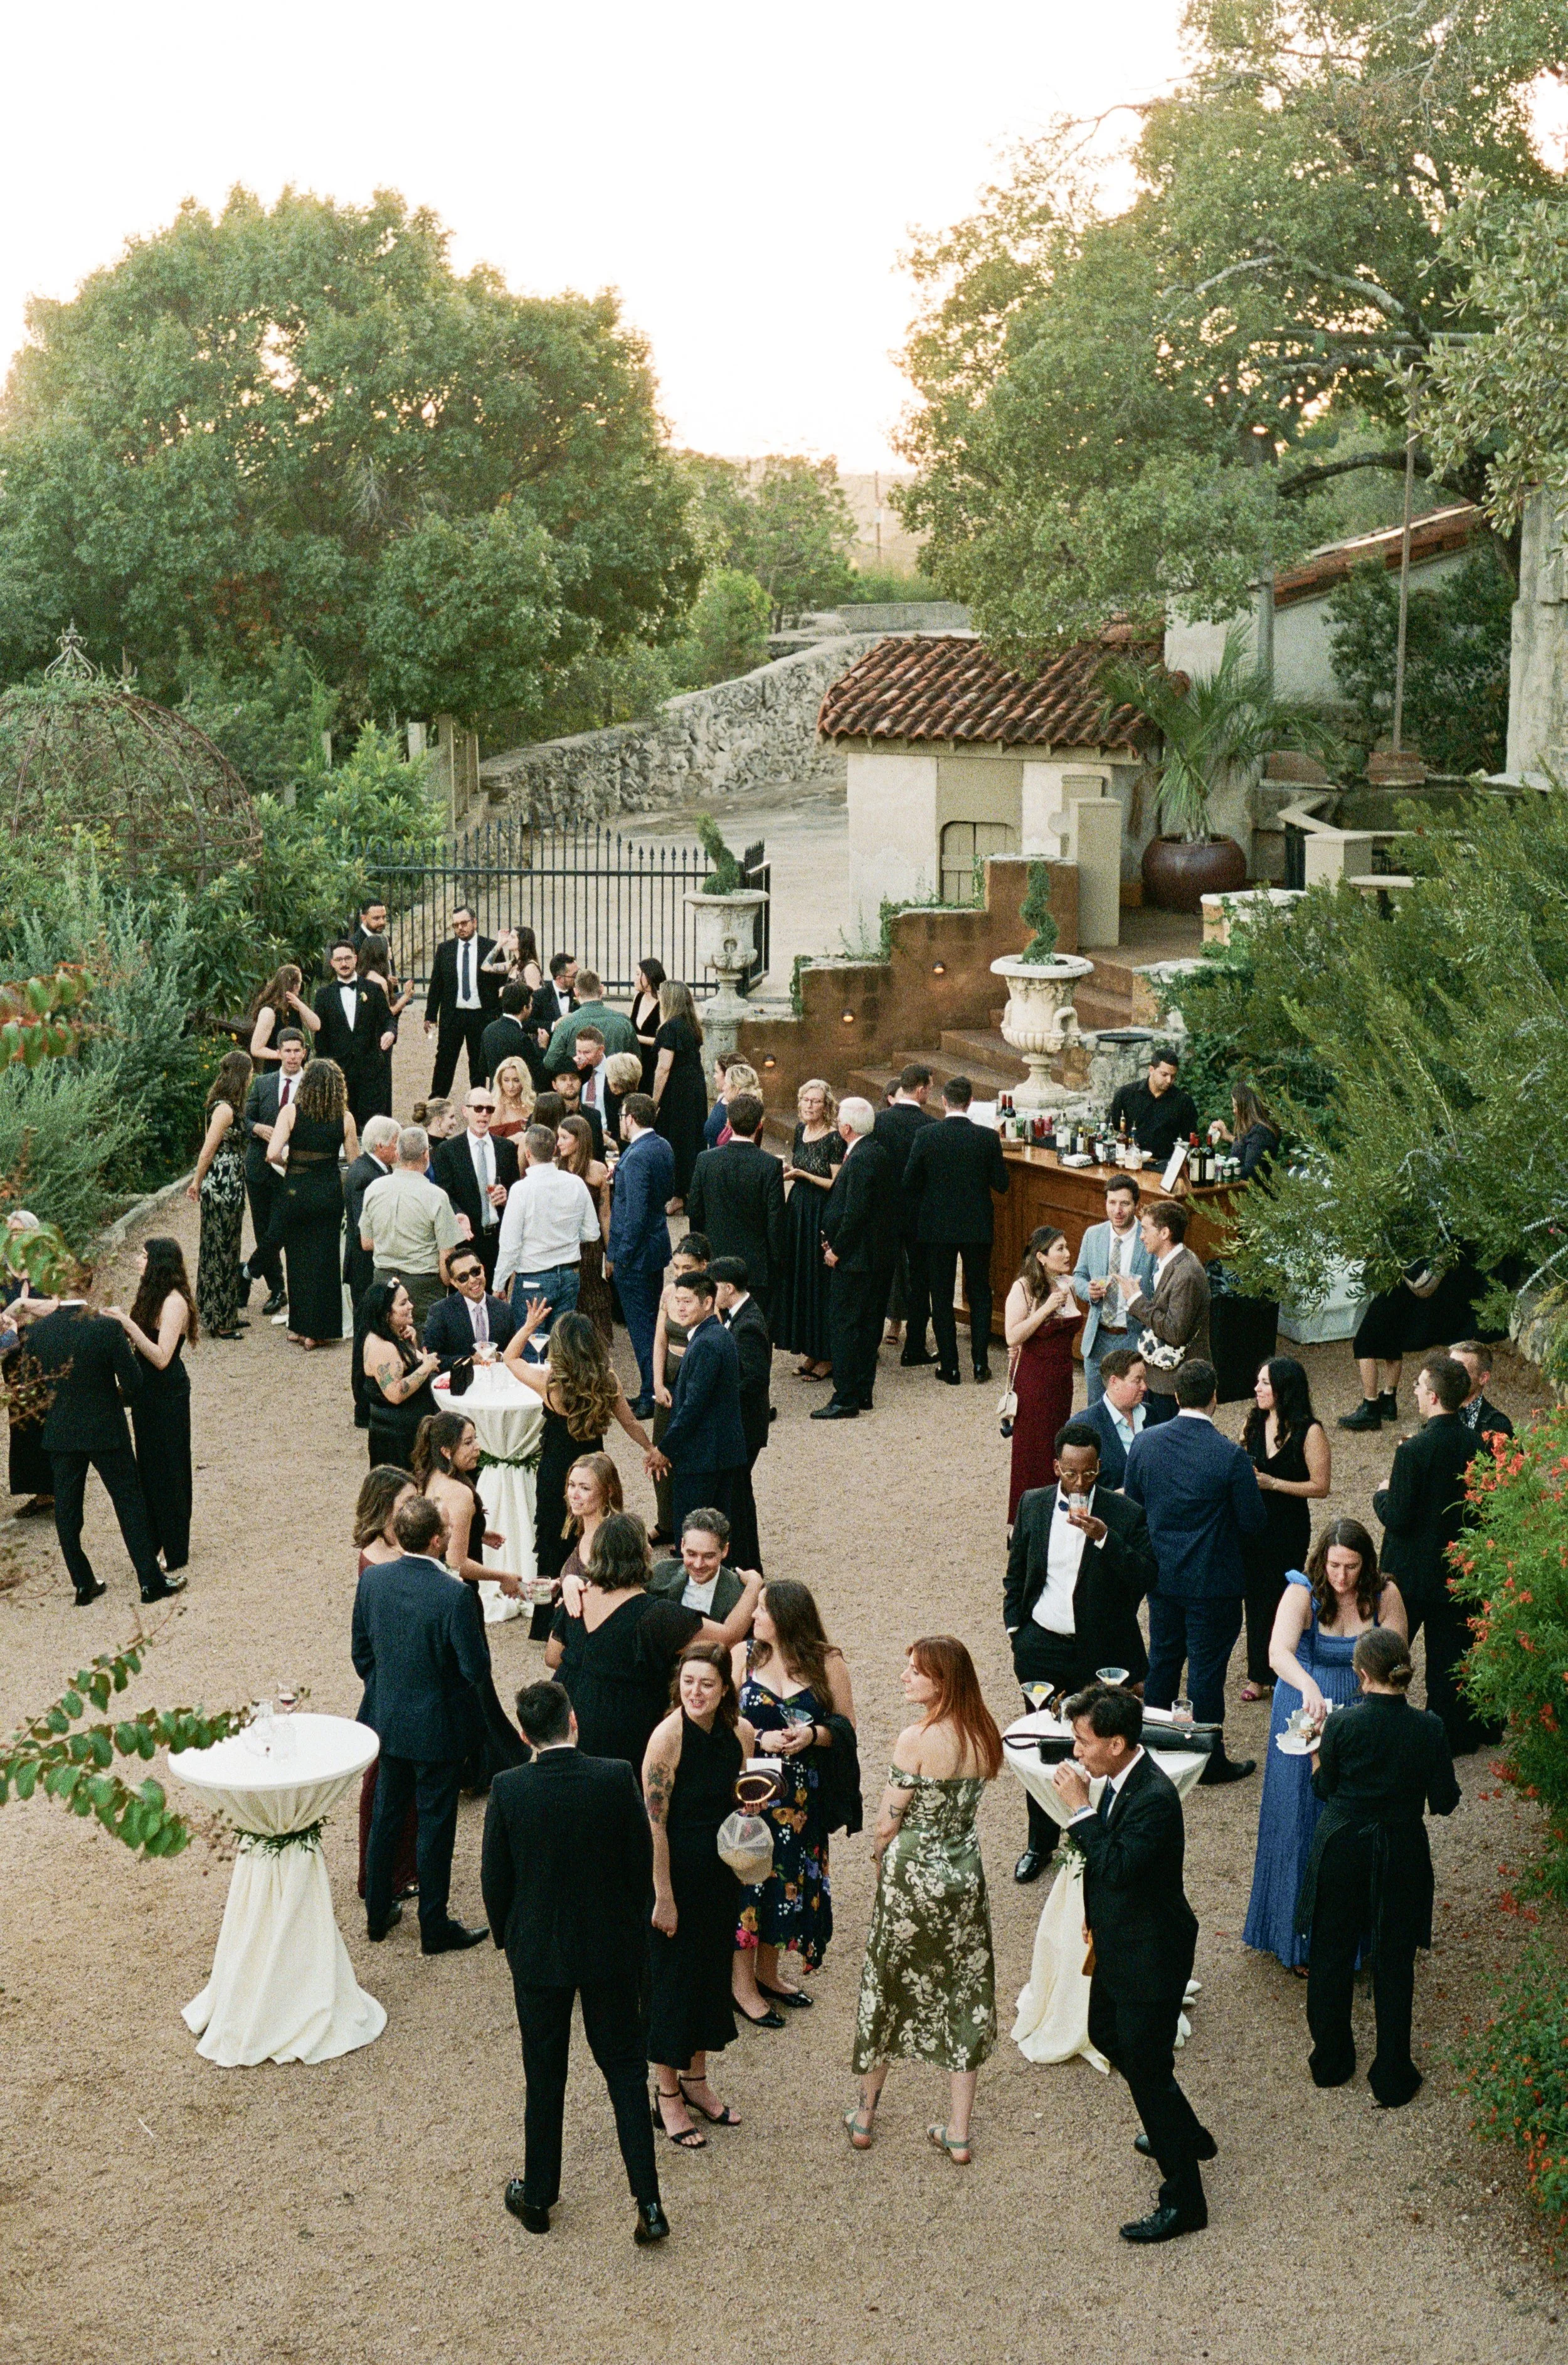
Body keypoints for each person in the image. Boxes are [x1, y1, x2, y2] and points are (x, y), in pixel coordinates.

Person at [481, 1679, 669, 2246]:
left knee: (545, 2076)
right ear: (574, 1722)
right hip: (609, 1948)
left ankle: (538, 2195)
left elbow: (496, 1879)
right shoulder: (614, 1776)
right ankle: (650, 2203)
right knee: (625, 2074)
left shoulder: (509, 1789)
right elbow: (641, 1862)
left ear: (523, 1735)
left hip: (540, 1952)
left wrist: (508, 1939)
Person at [1052, 1682, 1211, 2243]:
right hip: (1123, 1944)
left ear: (1117, 1743)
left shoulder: (1154, 1799)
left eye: (1084, 1741)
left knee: (1146, 2071)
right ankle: (1186, 2132)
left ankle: (1184, 2199)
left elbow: (1118, 1867)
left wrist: (1076, 1811)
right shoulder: (1119, 1779)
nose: (1076, 1752)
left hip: (1151, 1953)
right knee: (1108, 2036)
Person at [847, 1636, 1001, 2162]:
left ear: (944, 1681)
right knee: (966, 1992)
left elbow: (889, 1824)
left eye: (916, 1671)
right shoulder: (984, 1734)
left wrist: (877, 1862)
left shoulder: (916, 1738)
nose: (904, 1677)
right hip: (962, 1875)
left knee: (886, 1986)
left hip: (912, 1876)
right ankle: (958, 2131)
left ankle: (864, 2117)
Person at [1298, 1627, 1461, 2105]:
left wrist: (1315, 1758)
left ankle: (1331, 2061)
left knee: (1331, 1954)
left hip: (1344, 1846)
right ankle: (1392, 2073)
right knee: (1394, 1962)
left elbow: (1325, 1790)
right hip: (1403, 1851)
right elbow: (1446, 1802)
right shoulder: (1430, 1727)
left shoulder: (1344, 1725)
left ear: (1361, 1674)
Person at [1242, 1521, 1407, 1971]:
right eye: (1334, 1565)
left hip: (1362, 1709)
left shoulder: (1385, 1594)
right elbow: (1279, 1653)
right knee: (1301, 1820)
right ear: (1323, 1561)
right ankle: (1299, 1942)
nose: (1341, 1577)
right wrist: (1309, 1686)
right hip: (1306, 1708)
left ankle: (1361, 1940)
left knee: (1358, 1824)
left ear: (1365, 1564)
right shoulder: (1302, 1592)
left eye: (1351, 1567)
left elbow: (1396, 1657)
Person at [1005, 1420, 1158, 1881]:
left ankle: (1101, 1838)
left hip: (1102, 1654)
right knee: (1044, 1743)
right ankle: (1040, 1843)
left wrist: (1104, 1538)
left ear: (1099, 1469)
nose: (1078, 1483)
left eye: (1087, 1474)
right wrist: (1018, 1631)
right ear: (1057, 1467)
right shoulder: (1033, 1504)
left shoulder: (1124, 1513)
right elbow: (1017, 1574)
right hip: (1043, 1648)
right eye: (1070, 1474)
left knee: (1105, 1748)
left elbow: (1146, 1576)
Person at [351, 1492, 492, 1953]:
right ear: (436, 1540)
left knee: (387, 1817)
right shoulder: (453, 1595)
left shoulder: (374, 1581)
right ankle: (434, 1926)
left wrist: (389, 1689)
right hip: (438, 1730)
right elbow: (475, 1669)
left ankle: (377, 1913)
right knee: (435, 1825)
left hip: (387, 1722)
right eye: (448, 1530)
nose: (452, 1533)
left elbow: (362, 1653)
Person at [1124, 1358, 1267, 1785]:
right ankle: (1208, 1758)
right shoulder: (1229, 1456)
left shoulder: (1146, 1444)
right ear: (1214, 1396)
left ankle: (1151, 1744)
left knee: (1164, 1660)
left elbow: (1134, 1507)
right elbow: (1253, 1523)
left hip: (1164, 1577)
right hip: (1213, 1581)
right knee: (1207, 1671)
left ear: (1178, 1396)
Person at [544, 1509, 761, 1770]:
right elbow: (726, 1637)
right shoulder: (656, 1614)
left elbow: (552, 1656)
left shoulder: (578, 1598)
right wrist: (754, 1584)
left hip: (565, 1720)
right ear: (641, 1554)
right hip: (624, 1731)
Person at [644, 1644, 756, 2145]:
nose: (696, 1692)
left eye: (707, 1683)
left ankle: (697, 2080)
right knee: (673, 1983)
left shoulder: (741, 1733)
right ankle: (666, 2093)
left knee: (710, 1975)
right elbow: (654, 1824)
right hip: (678, 1873)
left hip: (721, 1873)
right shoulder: (667, 1738)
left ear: (725, 1688)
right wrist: (663, 1894)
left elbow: (741, 1798)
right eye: (688, 1682)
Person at [732, 1578, 857, 2022]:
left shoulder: (827, 1662)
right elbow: (723, 1723)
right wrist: (757, 1735)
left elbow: (845, 1727)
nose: (753, 1616)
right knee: (750, 1880)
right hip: (751, 1790)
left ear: (785, 1617)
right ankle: (741, 1985)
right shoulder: (742, 1656)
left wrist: (811, 1734)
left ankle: (768, 1972)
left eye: (762, 1610)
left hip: (804, 1797)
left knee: (786, 1884)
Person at [1372, 1351, 1492, 1753]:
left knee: (1390, 1656)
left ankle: (1384, 1730)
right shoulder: (1478, 1444)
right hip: (1457, 1572)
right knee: (1449, 1663)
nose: (1415, 1390)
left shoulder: (1413, 1452)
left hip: (1409, 1574)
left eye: (1420, 1386)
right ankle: (1452, 1737)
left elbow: (1399, 1518)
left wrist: (1382, 1493)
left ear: (1435, 1397)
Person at [26, 1292, 178, 1604]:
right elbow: (134, 1383)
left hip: (62, 1433)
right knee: (129, 1503)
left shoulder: (39, 1332)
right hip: (106, 1430)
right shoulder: (105, 1327)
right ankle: (150, 1581)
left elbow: (31, 1387)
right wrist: (112, 1399)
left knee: (67, 1510)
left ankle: (82, 1584)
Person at [502, 1310, 661, 1580]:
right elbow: (631, 1424)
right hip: (593, 1469)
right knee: (594, 1530)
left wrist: (529, 1325)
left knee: (554, 1538)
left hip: (557, 1472)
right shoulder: (607, 1380)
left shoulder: (549, 1385)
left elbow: (510, 1358)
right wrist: (651, 1449)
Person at [901, 1075, 1010, 1386]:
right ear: (971, 1102)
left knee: (942, 1294)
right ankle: (980, 1363)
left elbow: (910, 1182)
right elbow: (1002, 1185)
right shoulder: (987, 1138)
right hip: (976, 1225)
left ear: (945, 1102)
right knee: (979, 1292)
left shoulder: (926, 1135)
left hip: (937, 1228)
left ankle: (950, 1366)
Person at [1238, 1358, 1331, 1703]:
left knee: (1281, 1594)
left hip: (1288, 1525)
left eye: (1265, 1383)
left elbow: (1321, 1486)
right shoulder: (1253, 1420)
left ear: (1283, 1389)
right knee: (1255, 1596)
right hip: (1254, 1522)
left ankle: (1282, 1668)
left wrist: (1273, 1483)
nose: (1257, 1389)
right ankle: (1257, 1673)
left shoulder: (1310, 1431)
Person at [105, 1238, 195, 1578]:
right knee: (149, 1468)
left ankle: (175, 1547)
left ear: (157, 1262)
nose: (137, 1260)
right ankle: (155, 1539)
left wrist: (126, 1324)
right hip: (146, 1394)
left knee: (170, 1468)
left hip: (168, 1395)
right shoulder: (150, 1296)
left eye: (143, 1256)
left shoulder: (174, 1303)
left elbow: (161, 1357)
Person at [352, 1467, 420, 1905]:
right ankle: (376, 1875)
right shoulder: (375, 1560)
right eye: (405, 1504)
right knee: (381, 1782)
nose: (414, 1510)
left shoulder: (405, 1546)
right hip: (393, 1684)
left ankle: (405, 1867)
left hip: (409, 1679)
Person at [812, 1096, 898, 1420]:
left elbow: (855, 1213)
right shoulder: (875, 1152)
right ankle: (862, 1391)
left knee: (846, 1326)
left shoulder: (861, 1158)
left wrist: (837, 1249)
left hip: (858, 1260)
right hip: (875, 1257)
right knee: (867, 1324)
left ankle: (846, 1396)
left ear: (846, 1128)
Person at [268, 1056, 359, 1347]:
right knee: (326, 1260)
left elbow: (272, 1153)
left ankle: (298, 1325)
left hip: (297, 1190)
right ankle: (318, 1331)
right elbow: (355, 1162)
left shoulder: (290, 1112)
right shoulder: (345, 1118)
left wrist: (291, 1163)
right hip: (329, 1191)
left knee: (297, 1257)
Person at [492, 1121, 600, 1341]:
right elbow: (592, 1233)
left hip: (534, 1278)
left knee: (531, 1349)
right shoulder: (576, 1183)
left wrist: (498, 1284)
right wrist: (566, 1238)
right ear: (553, 1150)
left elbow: (510, 1246)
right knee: (560, 1348)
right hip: (570, 1276)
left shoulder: (521, 1190)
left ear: (528, 1153)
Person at [685, 1092, 787, 1322]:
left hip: (716, 1263)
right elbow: (775, 1221)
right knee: (755, 1332)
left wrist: (703, 1256)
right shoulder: (770, 1166)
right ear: (760, 1125)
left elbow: (695, 1211)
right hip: (756, 1268)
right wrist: (776, 1263)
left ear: (728, 1123)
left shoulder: (706, 1160)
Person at [659, 1267, 746, 1531]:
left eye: (687, 1302)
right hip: (717, 1454)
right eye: (677, 1301)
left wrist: (664, 1449)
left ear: (707, 1303)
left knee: (694, 1530)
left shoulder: (707, 1342)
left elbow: (693, 1406)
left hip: (704, 1458)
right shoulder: (716, 1334)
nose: (680, 1308)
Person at [1004, 1226, 1082, 1517]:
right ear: (1041, 1257)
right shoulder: (1023, 1288)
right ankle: (1024, 1521)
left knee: (1057, 1447)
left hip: (1062, 1380)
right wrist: (1047, 1308)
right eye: (1060, 1249)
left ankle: (1054, 1516)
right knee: (1032, 1452)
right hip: (1034, 1382)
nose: (1067, 1253)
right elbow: (1012, 1336)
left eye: (1067, 1247)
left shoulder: (1066, 1284)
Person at [606, 1093, 675, 1416]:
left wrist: (619, 1256)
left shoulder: (634, 1157)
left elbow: (632, 1216)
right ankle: (653, 1387)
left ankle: (651, 1392)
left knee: (643, 1327)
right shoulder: (662, 1145)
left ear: (630, 1117)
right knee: (651, 1322)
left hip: (636, 1255)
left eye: (622, 1116)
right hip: (655, 1246)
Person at [775, 1078, 844, 1381]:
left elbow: (837, 1183)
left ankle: (828, 1353)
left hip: (821, 1211)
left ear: (826, 1105)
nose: (810, 1106)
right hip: (799, 1209)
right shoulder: (800, 1131)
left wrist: (805, 1175)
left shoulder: (834, 1138)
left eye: (816, 1101)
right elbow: (798, 1166)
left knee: (821, 1281)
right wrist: (789, 1173)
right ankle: (811, 1349)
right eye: (806, 1100)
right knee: (803, 1278)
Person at [359, 1124, 460, 1331]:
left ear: (397, 1153)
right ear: (426, 1154)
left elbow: (367, 1242)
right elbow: (447, 1258)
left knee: (386, 1339)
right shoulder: (436, 1196)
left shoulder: (374, 1189)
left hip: (383, 1279)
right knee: (423, 1346)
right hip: (423, 1286)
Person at [1117, 1198, 1209, 1420]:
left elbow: (1175, 1332)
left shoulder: (1186, 1273)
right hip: (1161, 1379)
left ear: (1165, 1233)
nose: (1141, 1236)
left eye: (1146, 1230)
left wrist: (1136, 1300)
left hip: (1174, 1385)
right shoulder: (1170, 1264)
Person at [238, 1026, 307, 1315]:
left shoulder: (311, 1086)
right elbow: (243, 1118)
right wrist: (257, 1128)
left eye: (297, 1051)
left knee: (283, 1227)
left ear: (304, 1053)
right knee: (263, 1228)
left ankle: (247, 1271)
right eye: (287, 1051)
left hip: (294, 1168)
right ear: (278, 1053)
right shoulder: (263, 1083)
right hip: (259, 1167)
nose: (292, 1057)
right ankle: (277, 1289)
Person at [1071, 1176, 1155, 1405]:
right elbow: (1078, 1276)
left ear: (1136, 1205)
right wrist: (1088, 1291)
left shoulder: (1148, 1239)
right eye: (1112, 1203)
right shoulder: (1093, 1235)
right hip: (1098, 1339)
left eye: (1124, 1204)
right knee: (1097, 1410)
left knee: (1134, 1411)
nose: (1117, 1210)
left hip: (1133, 1338)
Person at [873, 1063, 937, 1360]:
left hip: (884, 1212)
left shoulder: (879, 1121)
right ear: (922, 1089)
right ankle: (915, 1346)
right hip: (919, 1214)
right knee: (920, 1278)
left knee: (879, 1276)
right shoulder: (930, 1126)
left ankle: (869, 1341)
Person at [711, 1255, 771, 1568]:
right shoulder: (739, 1315)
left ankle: (745, 1563)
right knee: (738, 1496)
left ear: (729, 1288)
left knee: (738, 1497)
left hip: (746, 1428)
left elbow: (754, 1378)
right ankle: (745, 1561)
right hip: (743, 1426)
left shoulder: (748, 1325)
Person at [189, 1050, 253, 1339]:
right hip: (222, 1188)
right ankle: (219, 1319)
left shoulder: (225, 1106)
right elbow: (208, 1149)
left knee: (225, 1247)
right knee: (220, 1250)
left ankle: (220, 1311)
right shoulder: (224, 1110)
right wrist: (196, 1181)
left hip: (230, 1186)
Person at [650, 1233, 709, 1540]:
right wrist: (657, 1383)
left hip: (694, 1375)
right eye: (676, 1267)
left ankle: (693, 1529)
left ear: (703, 1265)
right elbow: (660, 1340)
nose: (680, 1274)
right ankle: (666, 1522)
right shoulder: (668, 1293)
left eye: (687, 1268)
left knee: (691, 1452)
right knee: (661, 1448)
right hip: (669, 1379)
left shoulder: (708, 1298)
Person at [432, 1086, 519, 1289]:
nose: (484, 1114)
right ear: (465, 1111)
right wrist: (459, 1216)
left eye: (489, 1109)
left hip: (498, 1239)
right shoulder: (448, 1151)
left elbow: (515, 1187)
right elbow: (444, 1194)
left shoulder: (505, 1148)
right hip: (467, 1241)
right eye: (479, 1108)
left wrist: (507, 1196)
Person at [358, 1278, 443, 1469]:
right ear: (387, 1314)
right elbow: (395, 1393)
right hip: (397, 1441)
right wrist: (426, 1366)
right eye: (403, 1303)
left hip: (410, 1433)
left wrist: (412, 1345)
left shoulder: (395, 1335)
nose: (411, 1306)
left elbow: (407, 1365)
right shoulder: (382, 1347)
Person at [3, 1211, 55, 1516]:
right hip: (14, 1356)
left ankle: (60, 1487)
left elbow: (60, 1305)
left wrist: (25, 1307)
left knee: (52, 1417)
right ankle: (40, 1490)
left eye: (20, 1231)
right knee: (24, 1423)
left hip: (45, 1353)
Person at [312, 941, 393, 1128]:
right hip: (340, 1072)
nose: (344, 963)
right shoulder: (324, 995)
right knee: (340, 1124)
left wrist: (390, 1032)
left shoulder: (373, 989)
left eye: (348, 958)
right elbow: (321, 1037)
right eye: (339, 959)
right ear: (332, 963)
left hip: (370, 1071)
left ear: (356, 959)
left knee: (372, 1127)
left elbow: (388, 1019)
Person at [425, 904, 501, 1096]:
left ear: (474, 922)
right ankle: (436, 1102)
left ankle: (479, 1101)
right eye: (456, 925)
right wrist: (430, 1015)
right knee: (444, 1061)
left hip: (482, 1015)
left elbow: (501, 984)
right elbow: (436, 984)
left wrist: (498, 1015)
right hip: (453, 1015)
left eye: (464, 923)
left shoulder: (491, 948)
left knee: (478, 1062)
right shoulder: (445, 950)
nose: (460, 928)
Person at [556, 1113, 613, 1344]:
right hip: (562, 1244)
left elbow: (605, 1215)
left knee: (592, 1295)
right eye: (558, 1137)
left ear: (579, 1140)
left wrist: (610, 1254)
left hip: (590, 1247)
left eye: (564, 1137)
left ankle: (594, 1345)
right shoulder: (555, 1169)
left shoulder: (599, 1171)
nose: (558, 1143)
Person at [651, 979, 708, 1205]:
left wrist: (654, 1102)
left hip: (677, 1091)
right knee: (692, 1138)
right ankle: (689, 1191)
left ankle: (677, 1194)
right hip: (694, 1087)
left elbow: (664, 1068)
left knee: (675, 1138)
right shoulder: (690, 1024)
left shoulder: (669, 1028)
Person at [341, 1114, 400, 1328]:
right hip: (365, 1267)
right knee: (368, 1329)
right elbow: (362, 1229)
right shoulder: (366, 1176)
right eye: (396, 1141)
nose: (398, 1147)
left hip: (369, 1263)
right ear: (380, 1145)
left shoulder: (375, 1168)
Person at [423, 1245, 517, 1372]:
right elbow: (431, 1359)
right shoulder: (440, 1312)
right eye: (463, 1278)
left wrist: (499, 1357)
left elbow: (515, 1351)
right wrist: (471, 1360)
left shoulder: (504, 1310)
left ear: (482, 1269)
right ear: (454, 1283)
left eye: (475, 1272)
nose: (473, 1280)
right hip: (460, 1385)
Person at [1107, 1043, 1199, 1165]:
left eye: (1173, 1077)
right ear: (1151, 1070)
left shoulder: (1183, 1102)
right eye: (1164, 1075)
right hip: (1129, 1161)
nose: (1169, 1081)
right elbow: (1110, 1131)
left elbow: (1191, 1142)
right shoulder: (1126, 1094)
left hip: (1163, 1165)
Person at [649, 1505, 747, 1619]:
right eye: (692, 1554)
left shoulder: (741, 1595)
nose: (698, 1565)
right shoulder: (660, 1574)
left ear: (724, 1550)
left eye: (709, 1556)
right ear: (682, 1545)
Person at [356, 932, 413, 1119]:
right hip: (380, 1035)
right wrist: (406, 997)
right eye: (388, 947)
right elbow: (387, 1012)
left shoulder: (363, 975)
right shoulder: (378, 981)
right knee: (382, 1081)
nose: (390, 951)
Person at [543, 969, 638, 1072]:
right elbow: (635, 1061)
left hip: (579, 1083)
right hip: (615, 1083)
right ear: (601, 989)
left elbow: (550, 1062)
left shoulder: (567, 1023)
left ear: (576, 992)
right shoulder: (623, 1021)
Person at [1081, 1347, 1150, 1489]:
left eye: (1144, 1380)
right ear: (1114, 1382)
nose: (1145, 1387)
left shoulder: (1151, 1415)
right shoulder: (1085, 1426)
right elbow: (1078, 1486)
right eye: (1138, 1380)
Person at [246, 963, 320, 1068]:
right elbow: (256, 1049)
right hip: (276, 1071)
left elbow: (316, 1026)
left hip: (298, 1072)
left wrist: (300, 1005)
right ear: (296, 986)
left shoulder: (295, 1007)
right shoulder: (269, 1012)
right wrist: (283, 1055)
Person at [1208, 1082, 1280, 1181]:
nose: (1234, 1111)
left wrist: (1219, 1170)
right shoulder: (1253, 1129)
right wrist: (1228, 1136)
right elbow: (1247, 1148)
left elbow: (1251, 1172)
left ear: (1247, 1107)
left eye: (1236, 1106)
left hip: (1253, 1194)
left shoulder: (1260, 1132)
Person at [1450, 1339, 1514, 1446]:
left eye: (1459, 1369)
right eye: (1448, 1368)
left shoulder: (1498, 1425)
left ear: (1483, 1378)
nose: (1450, 1375)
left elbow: (1513, 1461)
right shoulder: (1438, 1416)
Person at [484, 986, 544, 1098]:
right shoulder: (522, 1039)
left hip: (495, 1095)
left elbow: (483, 1068)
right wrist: (543, 1047)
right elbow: (538, 1073)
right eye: (530, 1005)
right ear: (525, 1008)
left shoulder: (489, 1030)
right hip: (516, 1098)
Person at [630, 957, 666, 1095]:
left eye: (638, 974)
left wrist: (637, 1038)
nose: (635, 978)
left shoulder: (662, 1003)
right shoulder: (638, 998)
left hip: (652, 1064)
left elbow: (663, 1040)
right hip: (636, 1062)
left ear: (649, 977)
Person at [529, 950, 579, 1050]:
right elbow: (528, 1023)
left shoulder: (579, 993)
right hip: (549, 1049)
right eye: (574, 975)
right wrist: (553, 1026)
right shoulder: (540, 995)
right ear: (560, 978)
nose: (578, 978)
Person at [480, 923, 543, 996]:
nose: (508, 940)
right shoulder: (513, 964)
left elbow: (535, 997)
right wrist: (499, 944)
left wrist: (506, 991)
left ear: (522, 941)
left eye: (512, 937)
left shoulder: (530, 967)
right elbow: (485, 967)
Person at [489, 1054, 536, 1141]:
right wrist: (512, 1140)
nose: (511, 1086)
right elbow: (491, 1145)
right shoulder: (498, 1108)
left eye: (516, 1080)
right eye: (506, 1080)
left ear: (524, 1081)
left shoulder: (532, 1103)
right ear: (500, 1081)